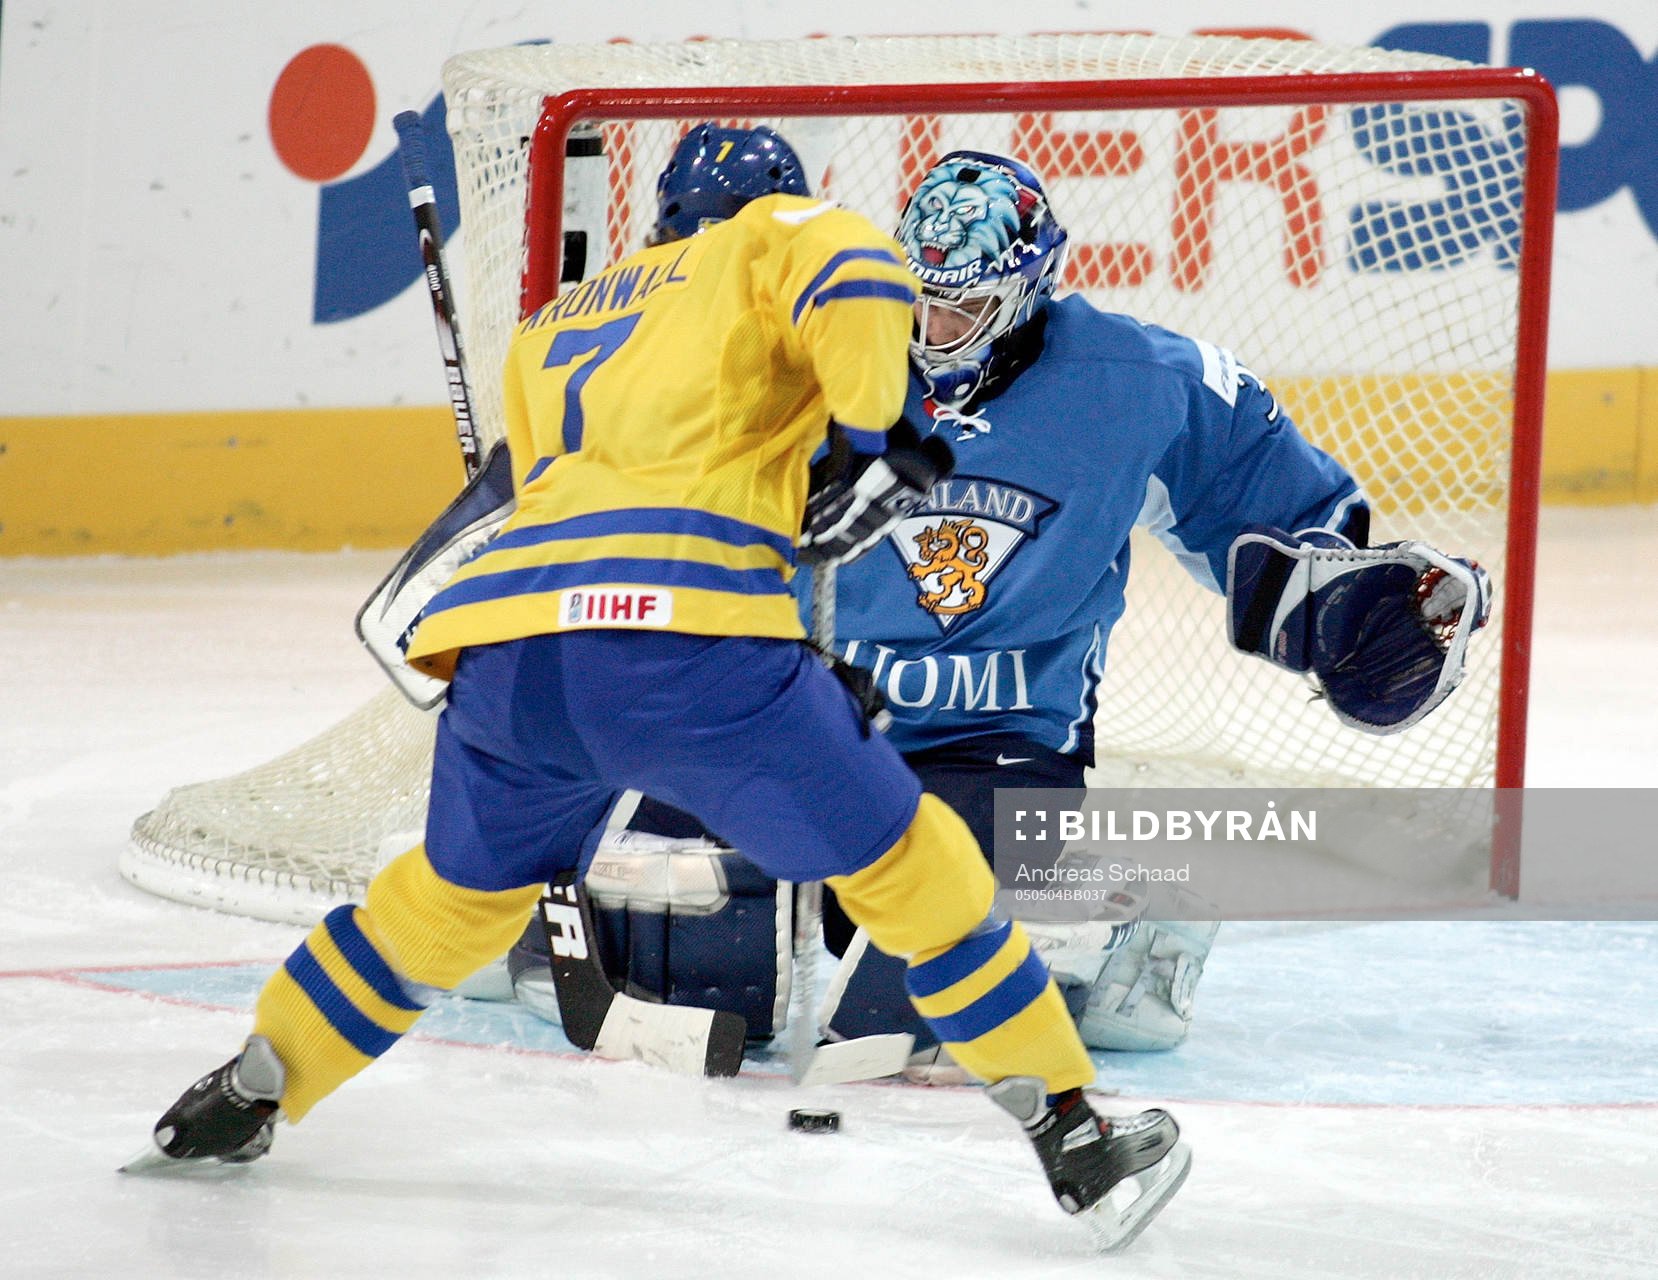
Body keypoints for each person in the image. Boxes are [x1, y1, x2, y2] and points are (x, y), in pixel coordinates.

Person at [126, 126, 1192, 1252]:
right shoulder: (765, 238)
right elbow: (858, 270)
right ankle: (1071, 1130)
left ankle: (245, 1088)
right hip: (688, 653)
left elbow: (569, 490)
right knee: (913, 869)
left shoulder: (555, 325)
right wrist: (876, 440)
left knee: (448, 902)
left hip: (516, 661)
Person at [519, 148, 1490, 1077]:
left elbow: (1273, 518)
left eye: (963, 309)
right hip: (794, 716)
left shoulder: (1138, 385)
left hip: (994, 742)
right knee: (692, 938)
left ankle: (1091, 916)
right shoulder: (815, 353)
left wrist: (1341, 610)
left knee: (918, 957)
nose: (928, 333)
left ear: (1024, 294)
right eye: (916, 301)